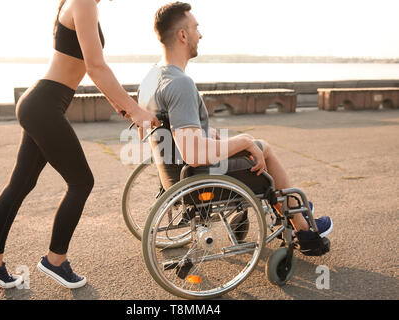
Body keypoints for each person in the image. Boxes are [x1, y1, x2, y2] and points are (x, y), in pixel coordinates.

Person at [0, 0, 159, 289]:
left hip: (43, 104)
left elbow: (89, 67)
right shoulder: (82, 2)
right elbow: (96, 65)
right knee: (81, 182)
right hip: (44, 105)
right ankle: (55, 260)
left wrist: (119, 106)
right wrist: (135, 109)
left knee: (21, 184)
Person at [138, 2, 333, 245]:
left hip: (173, 173)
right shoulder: (179, 83)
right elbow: (194, 153)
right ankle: (304, 230)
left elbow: (168, 136)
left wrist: (210, 136)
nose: (201, 34)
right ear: (183, 35)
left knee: (252, 144)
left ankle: (294, 210)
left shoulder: (151, 78)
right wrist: (243, 141)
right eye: (196, 28)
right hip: (198, 179)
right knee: (263, 147)